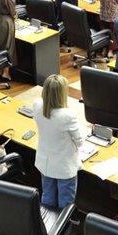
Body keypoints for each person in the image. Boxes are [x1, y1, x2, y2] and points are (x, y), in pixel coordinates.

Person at [32, 74, 84, 209]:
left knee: (47, 197)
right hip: (64, 167)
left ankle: (48, 226)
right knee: (66, 204)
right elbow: (79, 141)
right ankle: (65, 229)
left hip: (46, 163)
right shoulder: (68, 116)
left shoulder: (37, 106)